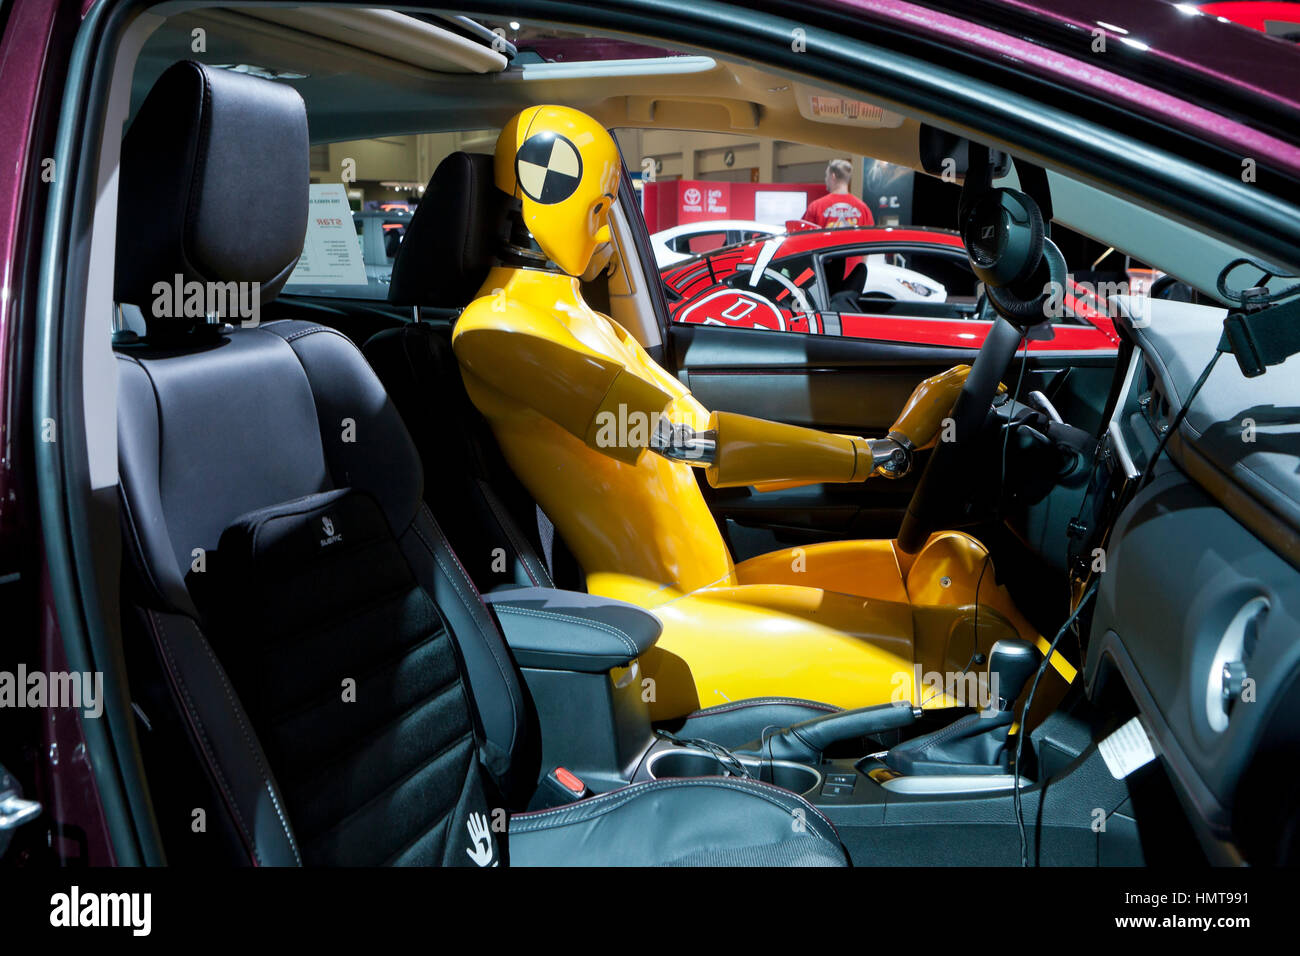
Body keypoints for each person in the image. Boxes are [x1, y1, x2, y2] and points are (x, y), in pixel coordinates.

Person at [450, 105, 1044, 718]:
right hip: (657, 626)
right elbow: (693, 440)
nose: (607, 234)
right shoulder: (499, 331)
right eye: (601, 211)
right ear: (556, 199)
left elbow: (720, 449)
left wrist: (886, 445)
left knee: (953, 559)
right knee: (977, 656)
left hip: (714, 588)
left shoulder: (589, 323)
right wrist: (880, 455)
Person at [801, 158, 875, 228]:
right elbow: (872, 238)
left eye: (826, 176)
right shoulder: (864, 209)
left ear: (833, 176)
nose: (825, 179)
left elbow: (803, 236)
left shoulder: (816, 207)